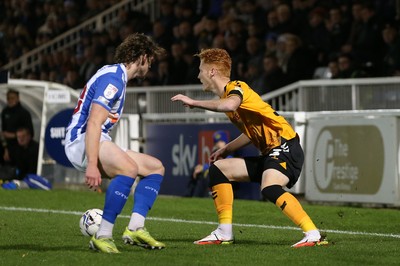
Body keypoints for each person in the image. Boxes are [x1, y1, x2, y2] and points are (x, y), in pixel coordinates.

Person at [171, 48, 328, 248]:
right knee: (219, 169)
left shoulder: (237, 87)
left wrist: (193, 102)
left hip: (285, 145)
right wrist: (226, 149)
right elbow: (250, 132)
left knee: (269, 187)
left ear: (212, 72)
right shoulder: (229, 97)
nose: (198, 75)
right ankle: (224, 232)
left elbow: (230, 105)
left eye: (201, 69)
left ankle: (312, 234)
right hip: (272, 151)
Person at [64, 33, 166, 253]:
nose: (151, 66)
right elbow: (93, 122)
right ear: (142, 58)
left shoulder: (117, 76)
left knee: (154, 167)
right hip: (82, 140)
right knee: (129, 169)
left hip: (96, 139)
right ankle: (103, 235)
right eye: (151, 60)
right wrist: (92, 164)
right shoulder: (113, 80)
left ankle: (136, 227)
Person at [186, 130, 230, 198]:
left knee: (207, 173)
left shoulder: (229, 153)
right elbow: (212, 162)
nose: (219, 144)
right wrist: (202, 167)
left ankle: (200, 196)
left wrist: (204, 167)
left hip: (226, 177)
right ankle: (189, 195)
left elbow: (222, 163)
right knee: (195, 170)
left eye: (221, 142)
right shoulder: (216, 153)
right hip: (215, 171)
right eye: (217, 142)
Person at [1, 89, 34, 167]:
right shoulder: (5, 112)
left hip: (21, 148)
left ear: (18, 98)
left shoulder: (24, 113)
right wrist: (5, 149)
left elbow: (30, 133)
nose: (10, 100)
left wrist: (14, 135)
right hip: (8, 147)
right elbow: (3, 132)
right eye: (8, 98)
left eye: (12, 98)